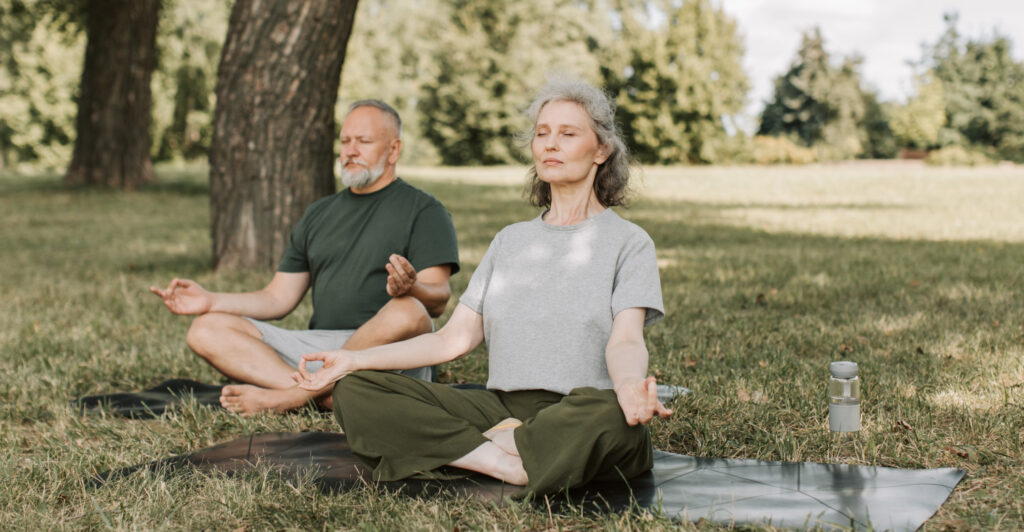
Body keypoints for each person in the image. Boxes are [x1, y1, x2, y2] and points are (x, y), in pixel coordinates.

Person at [293, 80, 672, 496]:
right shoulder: (509, 241)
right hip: (502, 409)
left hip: (579, 409)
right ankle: (502, 461)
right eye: (542, 133)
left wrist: (629, 387)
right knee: (357, 389)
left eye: (568, 133)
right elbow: (451, 341)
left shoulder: (629, 242)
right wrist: (352, 360)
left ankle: (481, 447)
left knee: (615, 420)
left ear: (601, 150)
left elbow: (626, 341)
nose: (550, 144)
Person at [150, 100, 460, 415]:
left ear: (393, 150)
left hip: (387, 351)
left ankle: (289, 399)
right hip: (321, 351)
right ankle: (324, 398)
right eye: (344, 141)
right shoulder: (320, 213)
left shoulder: (425, 210)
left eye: (364, 142)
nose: (350, 151)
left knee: (409, 310)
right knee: (206, 329)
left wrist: (412, 288)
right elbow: (277, 298)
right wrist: (210, 301)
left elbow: (436, 302)